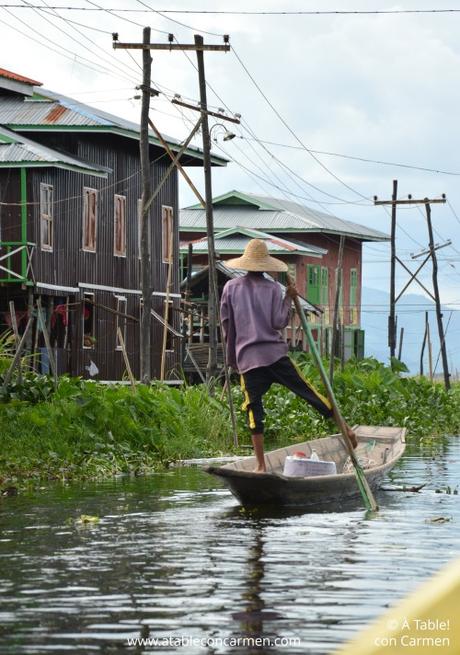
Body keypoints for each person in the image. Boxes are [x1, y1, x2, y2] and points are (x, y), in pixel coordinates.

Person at [220, 239, 357, 473]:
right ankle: (345, 427)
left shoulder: (231, 288)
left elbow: (227, 324)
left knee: (254, 410)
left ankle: (261, 465)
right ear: (264, 264)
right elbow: (278, 322)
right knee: (308, 392)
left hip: (248, 359)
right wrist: (289, 297)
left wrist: (233, 357)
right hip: (274, 355)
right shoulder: (274, 288)